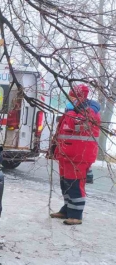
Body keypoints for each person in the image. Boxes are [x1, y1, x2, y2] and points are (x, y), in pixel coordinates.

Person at [50, 84, 100, 225]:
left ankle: (76, 215)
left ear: (79, 97)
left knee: (75, 185)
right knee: (65, 184)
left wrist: (70, 113)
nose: (70, 99)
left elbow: (76, 125)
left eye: (72, 96)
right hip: (66, 154)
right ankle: (67, 210)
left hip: (79, 156)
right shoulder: (73, 109)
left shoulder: (89, 111)